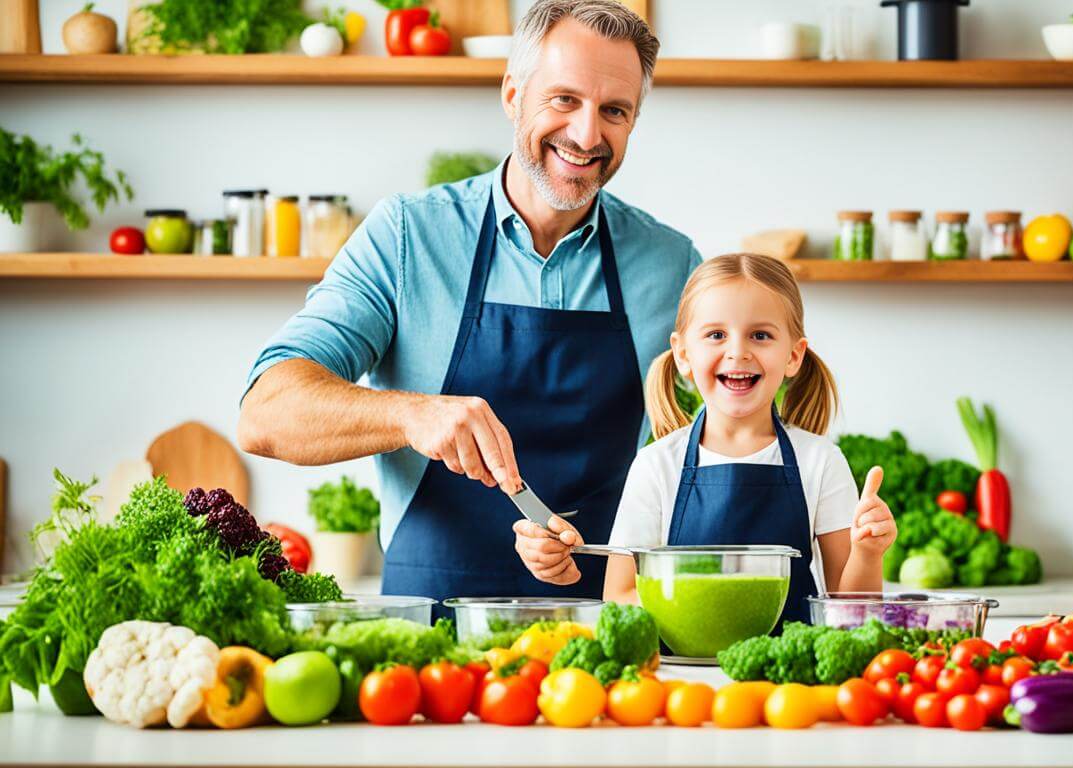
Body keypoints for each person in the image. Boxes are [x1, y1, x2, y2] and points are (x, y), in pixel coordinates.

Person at [238, 0, 699, 607]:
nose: (587, 135)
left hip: (607, 639)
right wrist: (411, 416)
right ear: (513, 95)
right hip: (429, 645)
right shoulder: (408, 236)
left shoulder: (672, 264)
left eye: (614, 110)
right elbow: (265, 413)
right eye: (564, 99)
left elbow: (734, 430)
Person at [514, 253, 895, 625]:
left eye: (760, 335)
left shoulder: (821, 461)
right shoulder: (656, 465)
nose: (738, 352)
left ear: (793, 356)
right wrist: (709, 616)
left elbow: (853, 615)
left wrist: (867, 553)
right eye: (716, 334)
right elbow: (620, 597)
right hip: (681, 682)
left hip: (786, 684)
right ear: (683, 354)